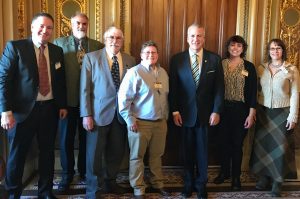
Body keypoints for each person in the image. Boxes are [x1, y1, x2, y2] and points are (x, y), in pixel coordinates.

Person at [0, 12, 67, 199]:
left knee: (47, 153)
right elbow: (3, 80)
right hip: (21, 113)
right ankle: (13, 194)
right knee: (17, 156)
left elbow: (59, 81)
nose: (45, 30)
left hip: (49, 110)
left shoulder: (56, 51)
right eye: (41, 26)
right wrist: (5, 110)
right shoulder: (15, 47)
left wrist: (62, 105)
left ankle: (45, 192)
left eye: (49, 28)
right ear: (32, 27)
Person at [169, 23, 224, 199]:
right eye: (192, 36)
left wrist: (216, 111)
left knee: (202, 154)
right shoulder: (177, 59)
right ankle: (188, 185)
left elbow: (219, 89)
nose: (196, 39)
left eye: (199, 36)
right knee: (187, 153)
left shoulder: (214, 59)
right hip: (184, 116)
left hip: (206, 116)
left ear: (204, 38)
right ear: (187, 38)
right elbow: (174, 88)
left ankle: (201, 186)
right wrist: (175, 111)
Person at [80, 26, 136, 199]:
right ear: (105, 39)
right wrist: (86, 115)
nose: (115, 41)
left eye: (118, 38)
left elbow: (134, 89)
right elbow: (85, 89)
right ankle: (93, 189)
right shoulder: (91, 58)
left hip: (121, 116)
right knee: (94, 155)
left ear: (123, 40)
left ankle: (111, 182)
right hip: (97, 116)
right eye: (111, 37)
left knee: (116, 152)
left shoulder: (130, 60)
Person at [53, 12, 104, 192]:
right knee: (66, 140)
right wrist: (60, 103)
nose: (81, 26)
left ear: (87, 25)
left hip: (91, 104)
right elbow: (56, 77)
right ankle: (67, 175)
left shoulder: (98, 46)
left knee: (86, 140)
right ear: (71, 24)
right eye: (77, 23)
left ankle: (84, 171)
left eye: (84, 23)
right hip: (67, 102)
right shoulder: (59, 44)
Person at [118, 40, 170, 199]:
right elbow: (123, 99)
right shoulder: (134, 72)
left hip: (160, 123)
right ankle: (139, 188)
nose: (151, 55)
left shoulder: (163, 72)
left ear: (158, 55)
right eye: (147, 52)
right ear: (141, 55)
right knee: (137, 157)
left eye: (153, 52)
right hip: (139, 123)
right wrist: (130, 120)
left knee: (156, 156)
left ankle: (157, 183)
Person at [250, 38, 299, 197]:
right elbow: (255, 91)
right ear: (268, 51)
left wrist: (293, 115)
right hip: (264, 111)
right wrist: (254, 109)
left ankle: (278, 182)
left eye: (278, 48)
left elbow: (295, 94)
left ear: (283, 51)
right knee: (263, 146)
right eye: (272, 48)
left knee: (280, 148)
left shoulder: (292, 69)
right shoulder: (261, 68)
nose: (275, 51)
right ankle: (264, 177)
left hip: (283, 112)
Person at [213, 35, 257, 190]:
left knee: (237, 145)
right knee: (223, 143)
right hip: (222, 109)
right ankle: (224, 172)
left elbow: (252, 93)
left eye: (239, 46)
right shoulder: (220, 64)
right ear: (228, 47)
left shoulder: (249, 67)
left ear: (243, 48)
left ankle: (236, 177)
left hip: (241, 111)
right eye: (232, 45)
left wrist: (251, 114)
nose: (235, 48)